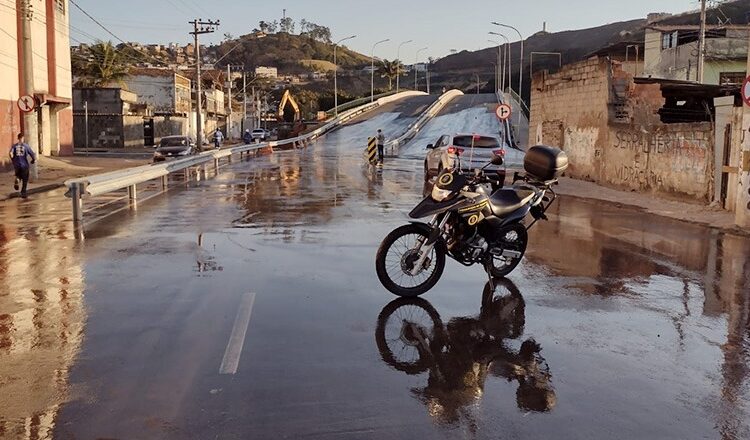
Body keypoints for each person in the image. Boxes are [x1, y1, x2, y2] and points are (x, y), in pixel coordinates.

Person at [9, 133, 36, 198]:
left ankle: (17, 179)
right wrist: (33, 160)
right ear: (23, 138)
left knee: (18, 175)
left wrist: (13, 159)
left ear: (18, 138)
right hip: (24, 165)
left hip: (17, 165)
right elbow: (32, 154)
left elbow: (10, 153)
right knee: (25, 178)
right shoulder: (26, 146)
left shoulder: (14, 146)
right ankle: (23, 192)